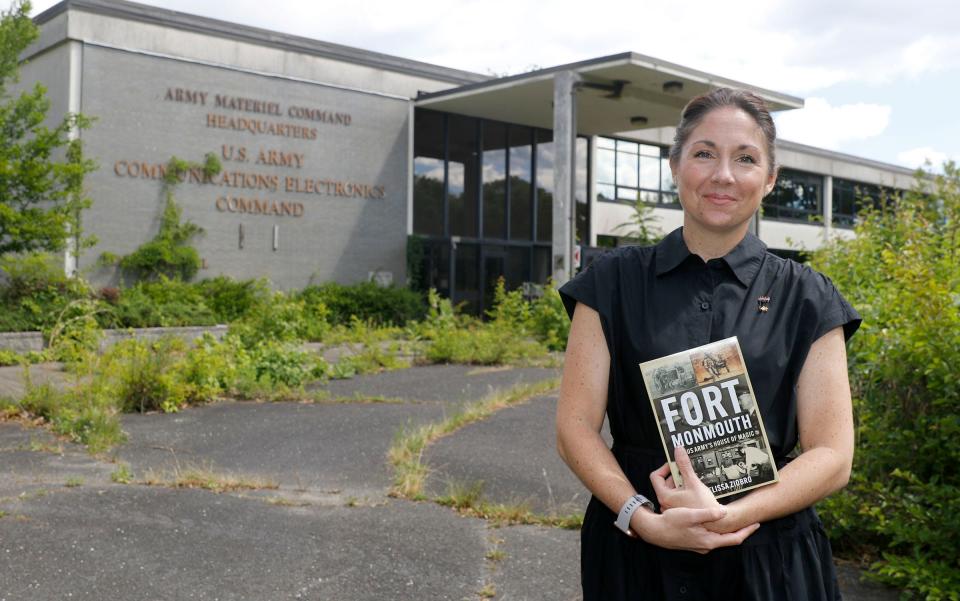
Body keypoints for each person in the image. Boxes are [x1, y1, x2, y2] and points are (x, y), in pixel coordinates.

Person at [555, 87, 860, 600]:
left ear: (769, 179)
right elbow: (574, 428)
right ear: (675, 165)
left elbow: (832, 454)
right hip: (637, 553)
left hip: (769, 560)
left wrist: (729, 518)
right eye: (704, 153)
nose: (723, 175)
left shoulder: (807, 296)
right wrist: (642, 518)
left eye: (745, 158)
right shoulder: (612, 282)